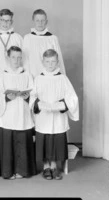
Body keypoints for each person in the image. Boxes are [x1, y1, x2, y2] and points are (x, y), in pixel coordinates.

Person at [30, 49, 79, 180]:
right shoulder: (38, 78)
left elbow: (72, 97)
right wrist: (38, 104)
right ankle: (47, 167)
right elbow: (32, 96)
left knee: (57, 141)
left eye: (53, 61)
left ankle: (56, 168)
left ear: (57, 61)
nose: (50, 64)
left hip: (58, 117)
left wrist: (62, 105)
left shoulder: (62, 78)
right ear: (43, 62)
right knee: (45, 141)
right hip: (44, 116)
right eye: (47, 61)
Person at [0, 46, 36, 180]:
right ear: (8, 58)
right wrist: (6, 97)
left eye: (19, 57)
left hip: (22, 113)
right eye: (13, 57)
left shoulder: (27, 74)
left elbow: (34, 93)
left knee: (22, 141)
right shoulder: (2, 75)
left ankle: (22, 170)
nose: (16, 60)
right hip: (8, 113)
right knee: (8, 143)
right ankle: (8, 171)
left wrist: (28, 97)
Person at [22, 9, 66, 78]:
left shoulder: (52, 38)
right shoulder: (27, 38)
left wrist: (62, 77)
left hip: (49, 76)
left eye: (42, 20)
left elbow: (59, 60)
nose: (40, 23)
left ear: (46, 21)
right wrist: (27, 77)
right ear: (33, 21)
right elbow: (25, 61)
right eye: (37, 20)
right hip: (33, 75)